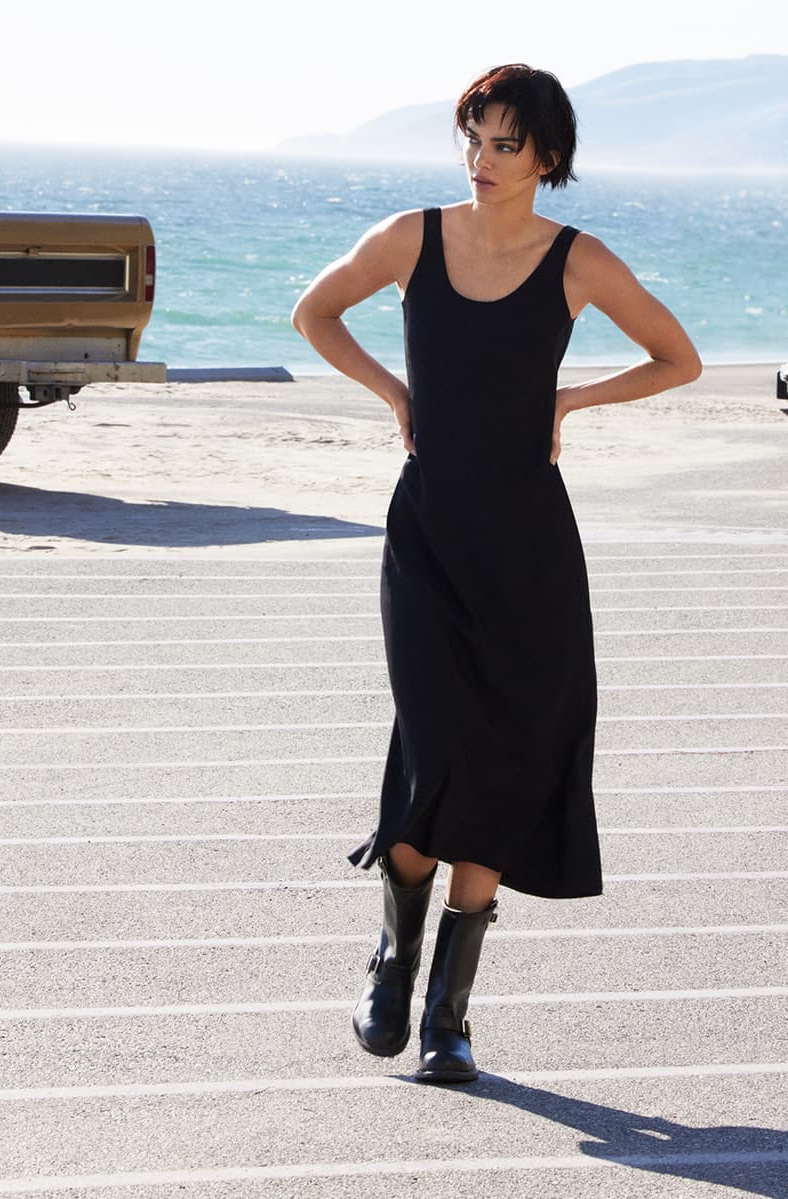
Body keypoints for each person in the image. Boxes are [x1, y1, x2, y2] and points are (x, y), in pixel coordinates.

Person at [291, 63, 701, 1084]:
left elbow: (677, 357)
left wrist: (569, 401)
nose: (480, 159)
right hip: (429, 537)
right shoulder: (411, 239)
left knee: (511, 753)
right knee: (435, 747)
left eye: (503, 143)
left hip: (530, 549)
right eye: (472, 138)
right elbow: (315, 312)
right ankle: (392, 958)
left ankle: (448, 1013)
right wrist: (393, 393)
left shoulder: (577, 260)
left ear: (545, 157)